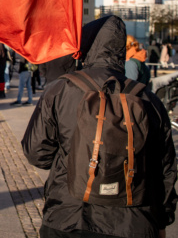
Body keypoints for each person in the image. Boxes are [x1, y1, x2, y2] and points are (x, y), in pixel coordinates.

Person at [22, 15, 177, 238]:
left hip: (69, 216)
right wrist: (162, 220)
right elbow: (165, 168)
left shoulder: (61, 90)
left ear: (86, 46)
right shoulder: (148, 99)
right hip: (134, 221)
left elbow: (37, 154)